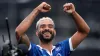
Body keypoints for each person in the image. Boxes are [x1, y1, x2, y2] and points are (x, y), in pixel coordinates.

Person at [15, 2, 90, 56]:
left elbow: (84, 31)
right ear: (37, 33)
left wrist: (73, 13)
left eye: (50, 26)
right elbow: (19, 32)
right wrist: (37, 10)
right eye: (42, 26)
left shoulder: (63, 48)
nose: (47, 28)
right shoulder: (33, 50)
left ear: (54, 31)